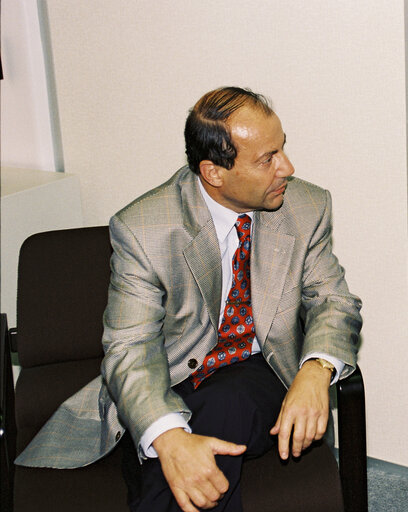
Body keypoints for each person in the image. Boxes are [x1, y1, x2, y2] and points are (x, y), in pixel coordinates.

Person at [16, 87, 362, 512]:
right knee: (187, 432)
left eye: (282, 148)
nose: (286, 168)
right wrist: (170, 434)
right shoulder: (143, 227)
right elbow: (131, 346)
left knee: (227, 402)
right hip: (171, 376)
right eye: (266, 159)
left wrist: (316, 368)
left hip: (258, 372)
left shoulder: (306, 206)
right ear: (214, 173)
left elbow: (334, 300)